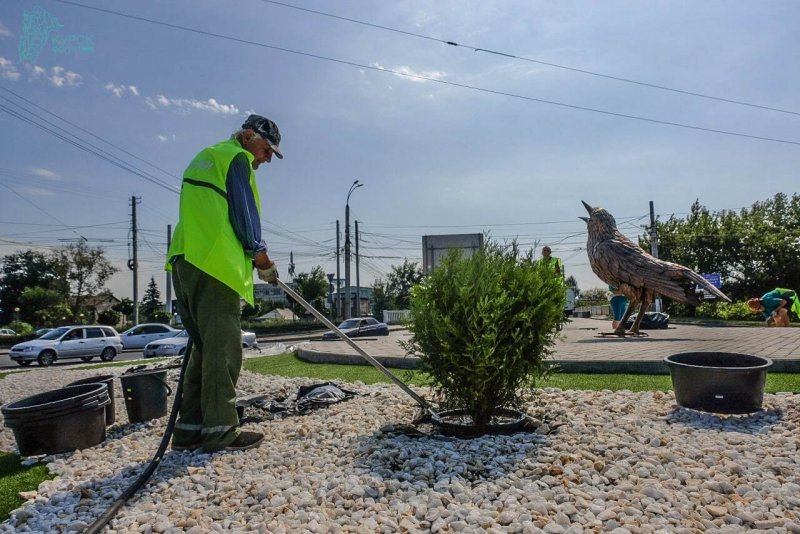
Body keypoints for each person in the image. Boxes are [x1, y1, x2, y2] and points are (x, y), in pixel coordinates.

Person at [165, 114, 283, 452]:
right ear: (248, 136)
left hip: (186, 262)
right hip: (214, 265)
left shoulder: (207, 156)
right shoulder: (236, 158)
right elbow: (243, 215)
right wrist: (262, 259)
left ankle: (189, 431)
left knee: (203, 351)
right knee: (224, 352)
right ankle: (220, 432)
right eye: (267, 149)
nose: (267, 157)